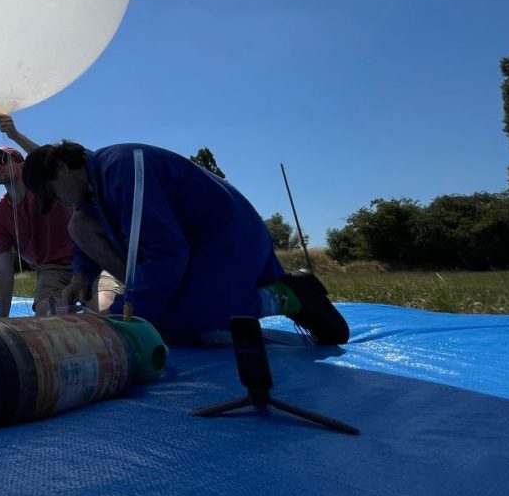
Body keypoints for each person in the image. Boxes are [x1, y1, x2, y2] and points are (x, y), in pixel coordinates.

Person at [21, 141, 349, 346]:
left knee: (193, 328)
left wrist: (125, 320)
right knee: (79, 225)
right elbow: (86, 239)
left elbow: (167, 254)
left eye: (52, 193)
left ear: (62, 167)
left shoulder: (122, 168)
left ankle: (288, 296)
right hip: (191, 247)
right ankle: (156, 303)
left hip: (226, 240)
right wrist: (80, 276)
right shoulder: (93, 188)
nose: (59, 202)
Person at [0, 115, 123, 313]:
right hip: (51, 268)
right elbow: (4, 270)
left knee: (103, 309)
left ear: (22, 165)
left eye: (3, 159)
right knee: (49, 313)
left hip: (93, 255)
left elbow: (53, 159)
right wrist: (2, 321)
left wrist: (15, 136)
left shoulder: (51, 186)